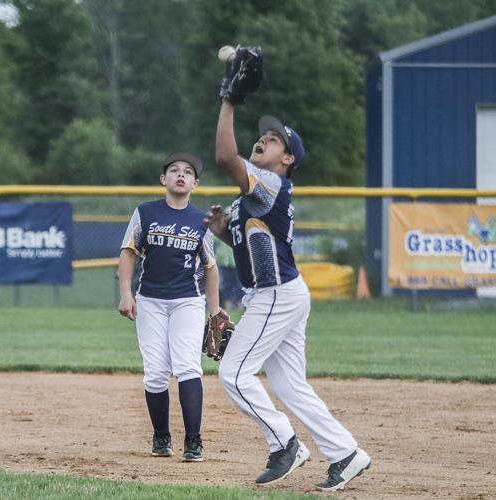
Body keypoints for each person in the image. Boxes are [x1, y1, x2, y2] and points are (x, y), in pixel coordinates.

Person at [204, 100, 371, 491]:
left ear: (288, 158)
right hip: (284, 293)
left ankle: (285, 444)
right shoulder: (259, 194)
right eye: (263, 135)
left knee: (233, 373)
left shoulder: (270, 184)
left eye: (274, 139)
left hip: (276, 295)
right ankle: (345, 453)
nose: (263, 138)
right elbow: (257, 243)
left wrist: (228, 100)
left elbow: (225, 156)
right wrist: (226, 231)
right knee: (290, 385)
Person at [118, 152, 221, 463]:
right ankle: (161, 436)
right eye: (174, 170)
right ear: (163, 179)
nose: (180, 174)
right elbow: (128, 252)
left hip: (188, 301)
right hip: (149, 300)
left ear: (195, 183)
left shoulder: (201, 220)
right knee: (155, 373)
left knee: (188, 366)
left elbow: (211, 267)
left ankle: (194, 440)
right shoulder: (145, 212)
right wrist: (126, 294)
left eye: (187, 172)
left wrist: (215, 312)